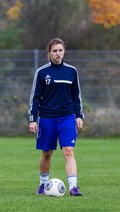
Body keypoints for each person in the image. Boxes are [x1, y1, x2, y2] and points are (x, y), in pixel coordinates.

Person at [28, 38, 84, 197]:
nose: (58, 54)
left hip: (67, 117)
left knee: (68, 150)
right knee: (47, 153)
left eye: (60, 50)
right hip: (47, 118)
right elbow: (35, 98)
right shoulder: (42, 72)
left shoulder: (71, 71)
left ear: (64, 51)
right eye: (55, 51)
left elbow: (76, 96)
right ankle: (43, 183)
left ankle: (73, 187)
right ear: (49, 53)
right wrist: (33, 119)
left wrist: (79, 115)